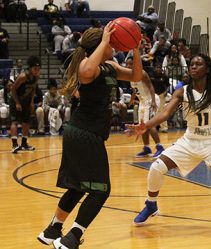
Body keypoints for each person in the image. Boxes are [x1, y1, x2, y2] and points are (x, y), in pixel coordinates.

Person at [127, 54, 211, 233]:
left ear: (207, 69)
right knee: (156, 167)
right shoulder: (182, 91)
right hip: (190, 142)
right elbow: (165, 113)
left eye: (198, 64)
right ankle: (151, 204)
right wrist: (145, 126)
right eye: (191, 64)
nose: (193, 67)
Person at [37, 24, 143, 248]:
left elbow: (136, 75)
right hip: (85, 134)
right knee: (101, 190)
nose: (114, 46)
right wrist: (104, 40)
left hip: (83, 133)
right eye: (110, 44)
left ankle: (52, 230)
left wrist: (135, 49)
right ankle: (71, 239)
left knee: (77, 186)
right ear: (100, 45)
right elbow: (85, 71)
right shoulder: (88, 67)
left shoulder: (109, 67)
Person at [126, 56, 165, 158]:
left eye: (131, 64)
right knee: (141, 125)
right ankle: (147, 148)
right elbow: (135, 90)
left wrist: (152, 101)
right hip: (142, 102)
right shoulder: (130, 76)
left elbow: (151, 86)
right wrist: (132, 99)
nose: (128, 66)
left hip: (150, 100)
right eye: (127, 64)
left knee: (150, 125)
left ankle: (160, 147)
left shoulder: (142, 73)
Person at [9, 56, 41, 153]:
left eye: (38, 69)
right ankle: (14, 144)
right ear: (30, 68)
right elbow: (13, 90)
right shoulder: (23, 77)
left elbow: (33, 89)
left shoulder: (36, 76)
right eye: (35, 69)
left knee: (26, 122)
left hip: (26, 101)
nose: (37, 71)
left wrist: (31, 102)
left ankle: (24, 144)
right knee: (15, 122)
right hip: (16, 100)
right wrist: (17, 103)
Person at [150, 63, 170, 133]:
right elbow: (149, 86)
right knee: (153, 112)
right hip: (154, 96)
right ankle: (153, 127)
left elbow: (168, 85)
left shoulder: (164, 76)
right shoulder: (151, 76)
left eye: (159, 68)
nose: (158, 69)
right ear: (154, 68)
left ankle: (164, 127)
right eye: (157, 67)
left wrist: (166, 91)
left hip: (162, 95)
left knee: (162, 111)